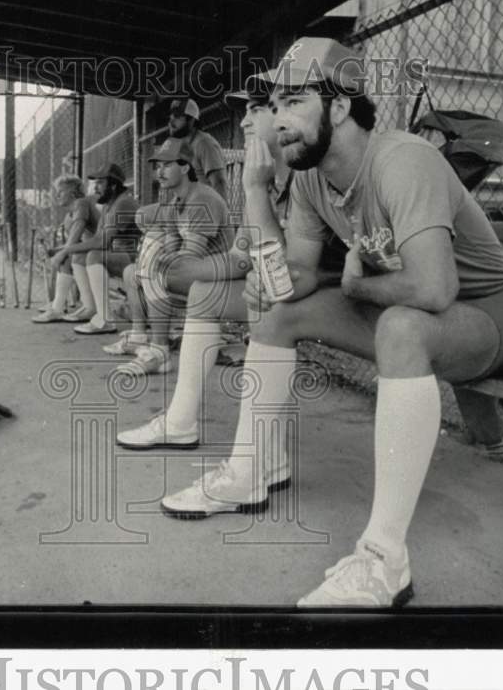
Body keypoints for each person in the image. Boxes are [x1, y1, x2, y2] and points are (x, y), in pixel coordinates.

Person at [158, 37, 503, 608]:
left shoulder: (403, 159)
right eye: (275, 105)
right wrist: (257, 197)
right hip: (406, 308)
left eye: (294, 102)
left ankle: (385, 562)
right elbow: (298, 277)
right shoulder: (311, 176)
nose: (278, 119)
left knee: (403, 327)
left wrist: (357, 287)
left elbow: (436, 289)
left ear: (338, 107)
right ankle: (247, 472)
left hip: (490, 312)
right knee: (281, 313)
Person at [117, 80, 348, 451]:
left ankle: (266, 450)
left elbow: (296, 270)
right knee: (205, 291)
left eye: (255, 109)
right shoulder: (263, 175)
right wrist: (177, 271)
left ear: (285, 115)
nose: (243, 123)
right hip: (288, 285)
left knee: (264, 303)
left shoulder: (310, 173)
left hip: (329, 291)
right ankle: (179, 422)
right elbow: (241, 256)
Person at [108, 137, 234, 377]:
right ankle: (138, 337)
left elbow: (189, 258)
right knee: (131, 272)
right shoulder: (176, 202)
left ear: (185, 167)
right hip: (197, 271)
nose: (160, 171)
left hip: (219, 278)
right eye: (158, 166)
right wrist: (156, 254)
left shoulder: (202, 200)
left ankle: (160, 352)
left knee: (153, 268)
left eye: (167, 165)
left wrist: (157, 260)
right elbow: (170, 245)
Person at [55, 162, 141, 335]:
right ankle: (91, 308)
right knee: (80, 255)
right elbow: (98, 239)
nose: (95, 188)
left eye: (100, 183)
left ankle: (105, 320)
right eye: (95, 183)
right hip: (123, 255)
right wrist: (69, 250)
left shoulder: (124, 202)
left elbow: (101, 242)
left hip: (139, 258)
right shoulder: (110, 203)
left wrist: (65, 250)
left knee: (94, 255)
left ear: (113, 185)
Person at [33, 174, 101, 323]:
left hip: (106, 249)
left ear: (72, 192)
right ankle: (57, 307)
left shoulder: (81, 203)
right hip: (94, 249)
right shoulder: (69, 215)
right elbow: (73, 243)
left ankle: (88, 307)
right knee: (67, 257)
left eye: (61, 191)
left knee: (70, 256)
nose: (56, 195)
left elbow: (76, 236)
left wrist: (63, 252)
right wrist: (53, 251)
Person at [167, 98, 228, 199]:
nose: (171, 120)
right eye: (171, 116)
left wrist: (220, 212)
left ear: (191, 120)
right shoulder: (178, 145)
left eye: (177, 116)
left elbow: (219, 182)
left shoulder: (204, 143)